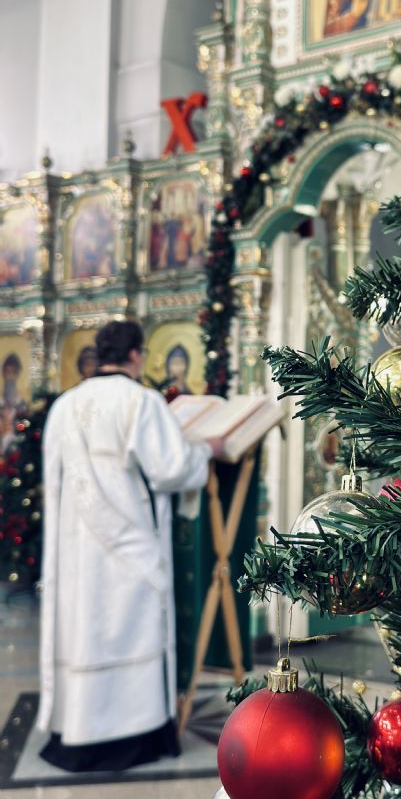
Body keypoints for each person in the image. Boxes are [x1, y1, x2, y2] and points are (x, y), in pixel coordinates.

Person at [38, 319, 224, 772]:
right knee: (132, 630)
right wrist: (207, 450)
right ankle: (133, 735)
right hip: (129, 546)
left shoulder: (64, 405)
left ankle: (78, 731)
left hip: (77, 550)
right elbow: (170, 468)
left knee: (85, 631)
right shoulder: (140, 401)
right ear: (136, 355)